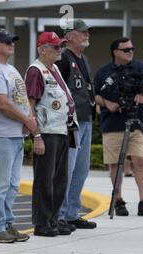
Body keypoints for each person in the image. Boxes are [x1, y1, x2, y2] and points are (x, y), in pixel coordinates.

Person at [25, 32, 78, 237]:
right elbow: (30, 104)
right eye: (55, 47)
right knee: (44, 180)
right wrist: (36, 135)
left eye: (61, 47)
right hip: (46, 132)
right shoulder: (36, 70)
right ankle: (42, 223)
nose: (60, 50)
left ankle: (52, 220)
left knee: (59, 180)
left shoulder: (54, 68)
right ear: (42, 49)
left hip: (61, 130)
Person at [0, 28, 34, 243]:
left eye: (12, 41)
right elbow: (1, 102)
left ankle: (6, 223)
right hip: (1, 134)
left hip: (16, 134)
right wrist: (26, 121)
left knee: (13, 184)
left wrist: (28, 121)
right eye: (7, 42)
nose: (11, 44)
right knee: (0, 183)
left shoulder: (10, 68)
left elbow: (22, 100)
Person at [94, 37, 143, 216]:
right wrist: (107, 103)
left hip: (136, 122)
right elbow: (94, 94)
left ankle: (142, 201)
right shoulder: (103, 72)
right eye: (126, 49)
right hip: (113, 123)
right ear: (115, 52)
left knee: (139, 161)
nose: (130, 52)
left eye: (132, 48)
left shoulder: (139, 67)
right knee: (115, 164)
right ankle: (119, 200)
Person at [56, 19, 97, 230]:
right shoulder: (63, 58)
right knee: (68, 169)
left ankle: (72, 213)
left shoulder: (84, 58)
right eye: (82, 32)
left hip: (86, 119)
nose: (86, 35)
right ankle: (60, 215)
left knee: (81, 170)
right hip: (71, 122)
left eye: (87, 32)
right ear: (69, 35)